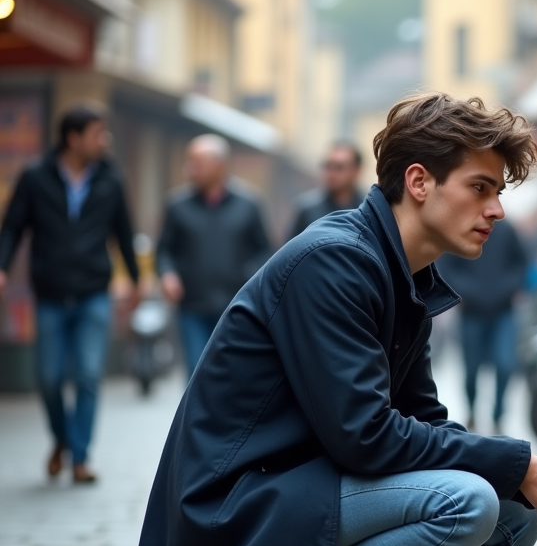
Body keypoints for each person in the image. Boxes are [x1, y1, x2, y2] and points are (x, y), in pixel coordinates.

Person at [130, 93, 537, 546]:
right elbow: (365, 438)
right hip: (233, 505)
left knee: (512, 519)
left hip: (301, 486)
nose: (496, 210)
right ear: (419, 182)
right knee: (470, 502)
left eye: (500, 192)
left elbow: (424, 423)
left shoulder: (401, 273)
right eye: (481, 187)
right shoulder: (335, 263)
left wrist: (518, 472)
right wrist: (515, 461)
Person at [0, 103, 140, 484]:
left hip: (94, 293)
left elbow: (124, 233)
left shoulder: (112, 178)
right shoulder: (34, 177)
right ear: (73, 138)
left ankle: (80, 457)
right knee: (47, 378)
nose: (105, 140)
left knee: (89, 374)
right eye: (98, 133)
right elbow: (12, 227)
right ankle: (62, 439)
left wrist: (136, 281)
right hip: (49, 295)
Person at [157, 134, 272, 378]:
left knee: (233, 375)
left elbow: (265, 251)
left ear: (219, 166)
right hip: (192, 307)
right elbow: (165, 249)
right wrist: (167, 274)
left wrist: (249, 277)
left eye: (197, 163)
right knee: (197, 375)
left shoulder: (248, 204)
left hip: (237, 308)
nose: (189, 169)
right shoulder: (177, 206)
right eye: (189, 162)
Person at [437, 218, 527, 432]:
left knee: (505, 364)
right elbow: (448, 265)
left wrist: (510, 287)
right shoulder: (462, 226)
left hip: (503, 312)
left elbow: (521, 262)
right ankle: (472, 412)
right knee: (471, 369)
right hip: (472, 313)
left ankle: (498, 417)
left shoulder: (506, 229)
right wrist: (464, 291)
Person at [290, 141, 365, 239]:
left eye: (339, 167)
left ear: (356, 170)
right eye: (328, 166)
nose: (331, 173)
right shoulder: (308, 209)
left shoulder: (366, 210)